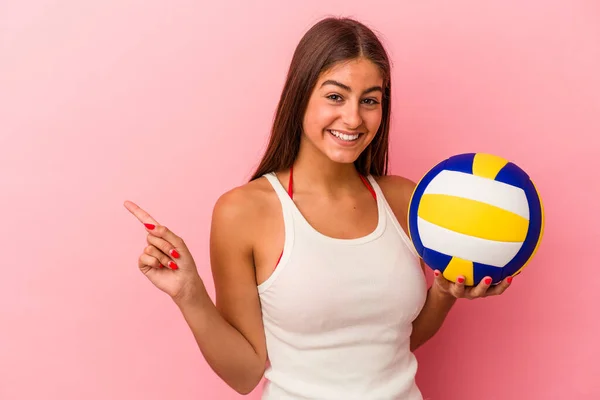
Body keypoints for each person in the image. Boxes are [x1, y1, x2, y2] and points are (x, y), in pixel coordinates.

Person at [124, 16, 513, 400]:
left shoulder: (405, 201)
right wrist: (189, 292)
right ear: (301, 96)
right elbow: (244, 374)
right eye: (335, 96)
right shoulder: (243, 211)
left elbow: (393, 342)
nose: (353, 118)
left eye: (370, 101)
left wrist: (444, 294)